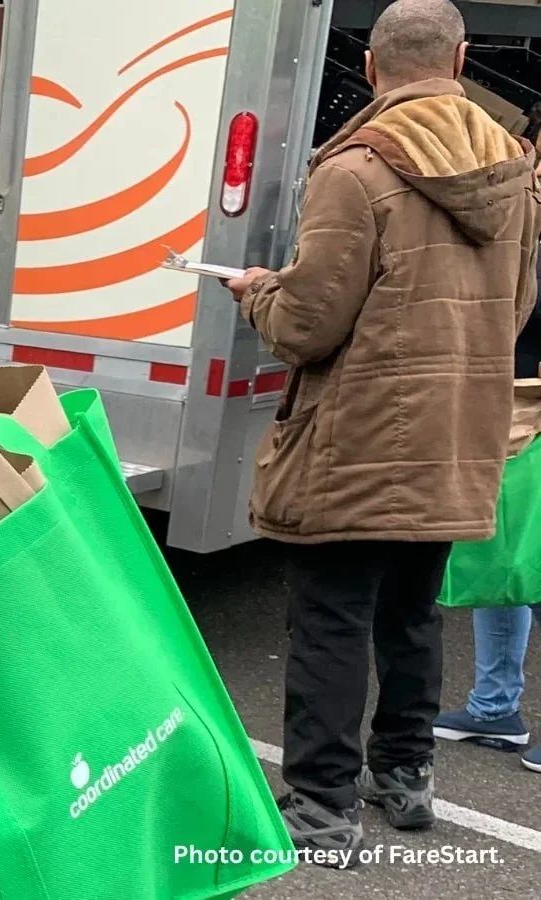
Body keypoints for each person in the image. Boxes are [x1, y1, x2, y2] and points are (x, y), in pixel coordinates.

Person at [224, 0, 541, 864]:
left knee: (330, 621)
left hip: (357, 440)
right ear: (461, 56)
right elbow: (515, 308)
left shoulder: (355, 168)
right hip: (458, 436)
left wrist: (258, 291)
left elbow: (307, 326)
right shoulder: (517, 167)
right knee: (411, 616)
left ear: (369, 67)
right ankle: (405, 779)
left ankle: (323, 809)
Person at [432, 204, 541, 775]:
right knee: (501, 560)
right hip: (506, 410)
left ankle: (495, 704)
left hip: (532, 413)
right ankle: (494, 707)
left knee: (533, 564)